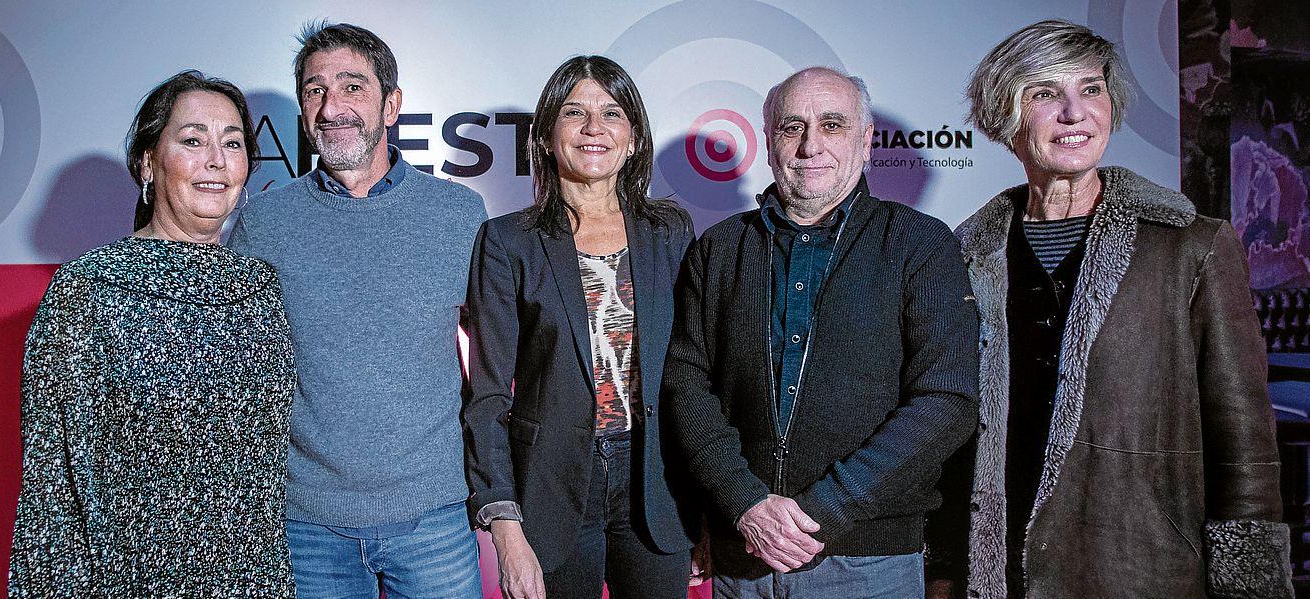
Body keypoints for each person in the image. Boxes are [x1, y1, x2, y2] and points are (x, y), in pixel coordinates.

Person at [928, 19, 1292, 599]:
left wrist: (1249, 583)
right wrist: (944, 570)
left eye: (1091, 89)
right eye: (1046, 93)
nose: (1076, 113)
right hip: (999, 575)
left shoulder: (1191, 246)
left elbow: (1243, 440)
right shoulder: (959, 257)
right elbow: (945, 436)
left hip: (1140, 568)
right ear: (1007, 116)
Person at [662, 66, 979, 598]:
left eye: (832, 124)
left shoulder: (920, 244)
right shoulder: (717, 250)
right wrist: (743, 503)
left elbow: (946, 400)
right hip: (744, 558)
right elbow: (686, 385)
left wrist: (823, 511)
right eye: (792, 127)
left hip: (869, 563)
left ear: (866, 140)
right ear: (769, 143)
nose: (811, 145)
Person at [8, 70, 296, 597]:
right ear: (147, 163)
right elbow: (52, 485)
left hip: (254, 579)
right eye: (193, 140)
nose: (216, 159)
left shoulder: (260, 288)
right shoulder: (89, 290)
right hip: (133, 581)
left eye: (232, 143)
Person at [226, 21, 487, 598]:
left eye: (352, 87)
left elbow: (496, 365)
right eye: (315, 90)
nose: (332, 106)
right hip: (307, 523)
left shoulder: (459, 214)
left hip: (434, 514)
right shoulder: (264, 223)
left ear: (391, 105)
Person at [463, 55, 700, 599]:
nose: (595, 128)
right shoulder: (507, 241)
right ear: (547, 135)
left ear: (634, 137)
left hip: (656, 484)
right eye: (574, 113)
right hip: (551, 487)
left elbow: (694, 377)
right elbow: (489, 396)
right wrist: (505, 527)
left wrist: (709, 507)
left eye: (612, 113)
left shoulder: (671, 231)